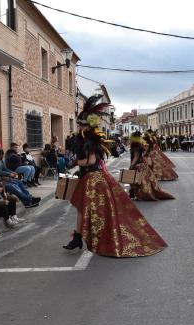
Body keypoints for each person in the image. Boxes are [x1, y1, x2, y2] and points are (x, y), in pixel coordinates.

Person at [63, 95, 167, 257]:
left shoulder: (91, 141)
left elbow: (90, 161)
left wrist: (76, 161)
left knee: (88, 210)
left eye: (81, 125)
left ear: (87, 126)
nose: (79, 127)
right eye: (78, 125)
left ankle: (87, 237)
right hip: (91, 178)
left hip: (93, 180)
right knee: (83, 209)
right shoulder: (87, 139)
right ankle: (78, 237)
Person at [129, 132, 174, 201]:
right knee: (141, 180)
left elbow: (136, 156)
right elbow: (144, 151)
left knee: (136, 180)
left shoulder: (135, 145)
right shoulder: (140, 144)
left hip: (137, 165)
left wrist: (132, 165)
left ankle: (140, 194)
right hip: (142, 164)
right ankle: (138, 193)